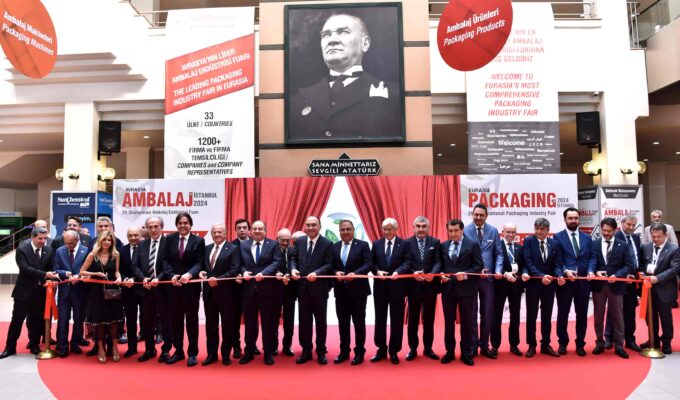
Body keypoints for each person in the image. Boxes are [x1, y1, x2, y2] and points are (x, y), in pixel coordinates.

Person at [288, 13, 400, 142]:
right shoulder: (297, 101)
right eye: (326, 35)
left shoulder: (394, 95)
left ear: (365, 43)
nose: (332, 40)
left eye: (343, 32)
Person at [0, 227, 57, 359]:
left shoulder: (48, 250)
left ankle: (34, 345)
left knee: (36, 321)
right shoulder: (22, 249)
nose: (43, 241)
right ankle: (10, 347)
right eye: (40, 238)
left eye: (45, 238)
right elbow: (25, 268)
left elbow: (51, 268)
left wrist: (52, 279)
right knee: (17, 320)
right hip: (23, 292)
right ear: (32, 237)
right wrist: (45, 274)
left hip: (40, 292)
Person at [434, 219, 483, 366]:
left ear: (462, 230)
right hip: (448, 289)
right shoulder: (443, 246)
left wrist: (466, 275)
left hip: (467, 289)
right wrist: (440, 274)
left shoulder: (472, 244)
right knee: (449, 322)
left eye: (456, 230)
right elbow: (440, 265)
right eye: (450, 231)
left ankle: (466, 352)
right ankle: (449, 351)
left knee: (467, 322)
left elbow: (479, 266)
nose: (453, 233)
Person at [162, 212, 205, 367]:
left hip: (191, 288)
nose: (183, 225)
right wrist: (171, 275)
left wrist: (189, 274)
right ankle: (178, 351)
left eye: (185, 223)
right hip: (173, 287)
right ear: (176, 225)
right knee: (176, 321)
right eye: (180, 223)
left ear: (190, 225)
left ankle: (192, 353)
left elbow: (200, 262)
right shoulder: (169, 239)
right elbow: (164, 260)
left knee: (192, 321)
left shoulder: (198, 241)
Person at [239, 221, 284, 365]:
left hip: (268, 291)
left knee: (268, 324)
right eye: (254, 228)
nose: (257, 231)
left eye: (260, 228)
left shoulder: (273, 244)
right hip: (248, 291)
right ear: (250, 231)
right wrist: (243, 272)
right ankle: (249, 351)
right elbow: (239, 263)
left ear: (265, 231)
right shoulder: (244, 245)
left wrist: (264, 273)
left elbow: (277, 262)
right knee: (249, 324)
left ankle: (268, 352)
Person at [290, 216, 334, 365]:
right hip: (302, 289)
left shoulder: (327, 243)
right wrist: (293, 269)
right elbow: (293, 259)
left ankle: (321, 351)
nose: (310, 228)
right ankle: (306, 351)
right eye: (308, 225)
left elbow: (329, 264)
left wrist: (317, 273)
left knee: (321, 322)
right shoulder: (300, 241)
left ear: (319, 226)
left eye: (314, 225)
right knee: (304, 322)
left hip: (320, 289)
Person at [590, 218, 635, 359]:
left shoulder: (623, 245)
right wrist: (595, 271)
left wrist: (617, 275)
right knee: (598, 316)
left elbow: (629, 265)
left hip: (616, 286)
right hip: (599, 286)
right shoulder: (594, 244)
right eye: (603, 230)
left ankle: (619, 345)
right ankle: (599, 342)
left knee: (618, 317)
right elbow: (592, 261)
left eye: (608, 231)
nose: (605, 233)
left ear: (615, 230)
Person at [553, 207, 596, 356]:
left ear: (579, 219)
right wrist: (565, 271)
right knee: (563, 314)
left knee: (582, 315)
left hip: (583, 282)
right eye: (570, 218)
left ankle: (580, 344)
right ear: (565, 220)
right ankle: (562, 343)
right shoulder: (558, 237)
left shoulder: (587, 238)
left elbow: (592, 257)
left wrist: (591, 270)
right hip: (565, 283)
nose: (573, 221)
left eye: (576, 218)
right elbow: (557, 260)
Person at [463, 203, 503, 359]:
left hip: (488, 280)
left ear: (486, 216)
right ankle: (473, 346)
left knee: (487, 313)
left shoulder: (493, 231)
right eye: (476, 214)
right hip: (471, 279)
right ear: (472, 215)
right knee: (472, 314)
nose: (478, 217)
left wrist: (497, 271)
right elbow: (463, 254)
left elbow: (499, 253)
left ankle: (484, 346)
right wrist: (473, 271)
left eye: (481, 215)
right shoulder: (465, 230)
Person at [370, 217, 412, 364]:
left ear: (396, 229)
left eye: (390, 229)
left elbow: (408, 262)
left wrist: (398, 272)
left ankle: (394, 350)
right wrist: (377, 271)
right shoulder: (376, 244)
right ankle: (381, 349)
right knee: (380, 319)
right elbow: (371, 263)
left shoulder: (404, 244)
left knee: (396, 320)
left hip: (397, 288)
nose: (387, 232)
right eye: (385, 229)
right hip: (380, 288)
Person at [199, 223, 241, 366]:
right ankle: (211, 355)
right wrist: (201, 272)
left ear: (225, 233)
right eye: (214, 232)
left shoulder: (233, 249)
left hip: (226, 294)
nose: (217, 234)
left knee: (227, 325)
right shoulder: (207, 248)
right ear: (211, 234)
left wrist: (217, 280)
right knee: (211, 326)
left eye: (219, 232)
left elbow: (234, 269)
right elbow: (203, 267)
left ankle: (225, 354)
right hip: (209, 294)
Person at [79, 230, 124, 363]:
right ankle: (100, 348)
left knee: (113, 320)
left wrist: (119, 278)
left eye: (109, 240)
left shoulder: (116, 254)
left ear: (112, 242)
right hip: (97, 292)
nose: (107, 242)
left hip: (112, 291)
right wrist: (96, 274)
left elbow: (117, 271)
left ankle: (114, 347)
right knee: (99, 321)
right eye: (104, 239)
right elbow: (82, 272)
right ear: (100, 241)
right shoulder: (93, 255)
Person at [332, 220, 372, 365]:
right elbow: (330, 265)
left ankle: (359, 352)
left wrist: (356, 274)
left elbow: (368, 264)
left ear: (353, 230)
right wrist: (335, 272)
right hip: (341, 292)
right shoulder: (334, 247)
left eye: (348, 229)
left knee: (359, 323)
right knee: (343, 323)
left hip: (358, 292)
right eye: (342, 229)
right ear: (339, 231)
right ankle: (344, 352)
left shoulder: (363, 245)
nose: (345, 232)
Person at [132, 216, 172, 363]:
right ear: (147, 229)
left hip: (163, 289)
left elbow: (169, 265)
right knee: (146, 321)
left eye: (156, 226)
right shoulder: (141, 244)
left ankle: (166, 350)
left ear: (162, 227)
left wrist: (158, 279)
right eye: (150, 227)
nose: (153, 229)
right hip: (145, 289)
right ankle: (150, 349)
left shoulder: (168, 243)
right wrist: (143, 278)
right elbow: (135, 265)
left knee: (166, 320)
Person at [522, 218, 562, 358]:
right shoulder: (529, 241)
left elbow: (557, 264)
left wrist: (559, 275)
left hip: (548, 285)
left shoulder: (554, 244)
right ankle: (531, 345)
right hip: (533, 285)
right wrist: (541, 276)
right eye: (537, 228)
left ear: (547, 230)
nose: (539, 231)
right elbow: (528, 262)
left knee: (547, 316)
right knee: (531, 316)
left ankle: (545, 344)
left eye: (542, 229)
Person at [638, 223, 680, 354]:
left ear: (665, 235)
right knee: (650, 317)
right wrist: (641, 273)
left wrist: (658, 278)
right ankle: (653, 340)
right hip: (648, 289)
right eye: (653, 236)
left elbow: (675, 268)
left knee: (665, 317)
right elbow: (640, 264)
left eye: (659, 237)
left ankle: (666, 342)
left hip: (665, 288)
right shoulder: (645, 247)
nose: (656, 239)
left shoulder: (674, 249)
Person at [405, 216, 441, 361]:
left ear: (428, 228)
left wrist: (433, 273)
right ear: (413, 228)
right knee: (412, 320)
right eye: (418, 226)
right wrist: (413, 273)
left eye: (424, 226)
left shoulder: (435, 242)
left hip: (430, 287)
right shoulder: (407, 243)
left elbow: (438, 262)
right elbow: (405, 263)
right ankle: (412, 349)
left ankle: (428, 349)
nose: (421, 229)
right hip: (413, 288)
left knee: (429, 320)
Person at [605, 214, 642, 351]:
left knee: (630, 311)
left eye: (633, 225)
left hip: (632, 281)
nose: (631, 227)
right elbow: (610, 261)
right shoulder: (614, 237)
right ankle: (609, 339)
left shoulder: (636, 238)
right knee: (613, 311)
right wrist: (622, 275)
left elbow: (637, 258)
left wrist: (639, 271)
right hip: (618, 280)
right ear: (622, 223)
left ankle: (630, 339)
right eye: (628, 224)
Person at [54, 230, 89, 357]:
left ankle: (75, 343)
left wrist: (78, 276)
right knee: (63, 319)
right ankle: (62, 345)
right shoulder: (59, 251)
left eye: (71, 243)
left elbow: (89, 269)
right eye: (66, 243)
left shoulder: (86, 251)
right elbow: (56, 269)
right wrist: (65, 273)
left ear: (77, 240)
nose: (68, 245)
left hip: (80, 291)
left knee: (79, 318)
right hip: (64, 291)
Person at [491, 223, 524, 357]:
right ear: (502, 232)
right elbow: (494, 265)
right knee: (496, 316)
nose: (510, 234)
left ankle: (514, 345)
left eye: (513, 232)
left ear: (516, 234)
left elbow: (523, 265)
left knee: (515, 316)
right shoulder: (497, 247)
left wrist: (523, 273)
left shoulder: (520, 248)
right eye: (508, 232)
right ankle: (495, 345)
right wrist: (504, 273)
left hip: (516, 285)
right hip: (500, 285)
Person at [119, 227, 143, 358]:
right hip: (127, 290)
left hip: (144, 290)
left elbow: (147, 268)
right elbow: (119, 270)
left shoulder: (146, 248)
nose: (133, 238)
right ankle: (132, 348)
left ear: (140, 235)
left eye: (135, 235)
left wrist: (135, 279)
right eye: (130, 235)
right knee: (130, 320)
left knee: (146, 319)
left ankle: (150, 349)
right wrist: (124, 279)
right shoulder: (121, 250)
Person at [231, 218, 251, 358]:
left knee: (251, 321)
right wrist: (236, 274)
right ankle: (236, 347)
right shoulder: (230, 245)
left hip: (252, 288)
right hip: (235, 290)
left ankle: (251, 346)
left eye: (244, 227)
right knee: (234, 321)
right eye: (239, 228)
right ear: (235, 230)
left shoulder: (255, 243)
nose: (242, 230)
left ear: (248, 229)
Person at [276, 228, 297, 357]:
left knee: (289, 320)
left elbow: (294, 263)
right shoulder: (272, 249)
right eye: (282, 240)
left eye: (287, 240)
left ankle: (287, 346)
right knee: (273, 320)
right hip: (275, 291)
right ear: (277, 239)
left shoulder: (293, 250)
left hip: (290, 290)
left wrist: (289, 274)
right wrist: (276, 274)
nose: (285, 243)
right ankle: (273, 346)